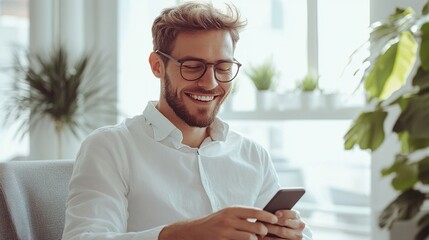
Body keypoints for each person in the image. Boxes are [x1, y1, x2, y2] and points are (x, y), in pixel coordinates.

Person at [62, 2, 312, 240]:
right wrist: (185, 234)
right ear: (157, 66)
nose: (211, 83)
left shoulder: (252, 155)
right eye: (193, 67)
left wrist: (290, 233)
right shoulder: (111, 147)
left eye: (223, 68)